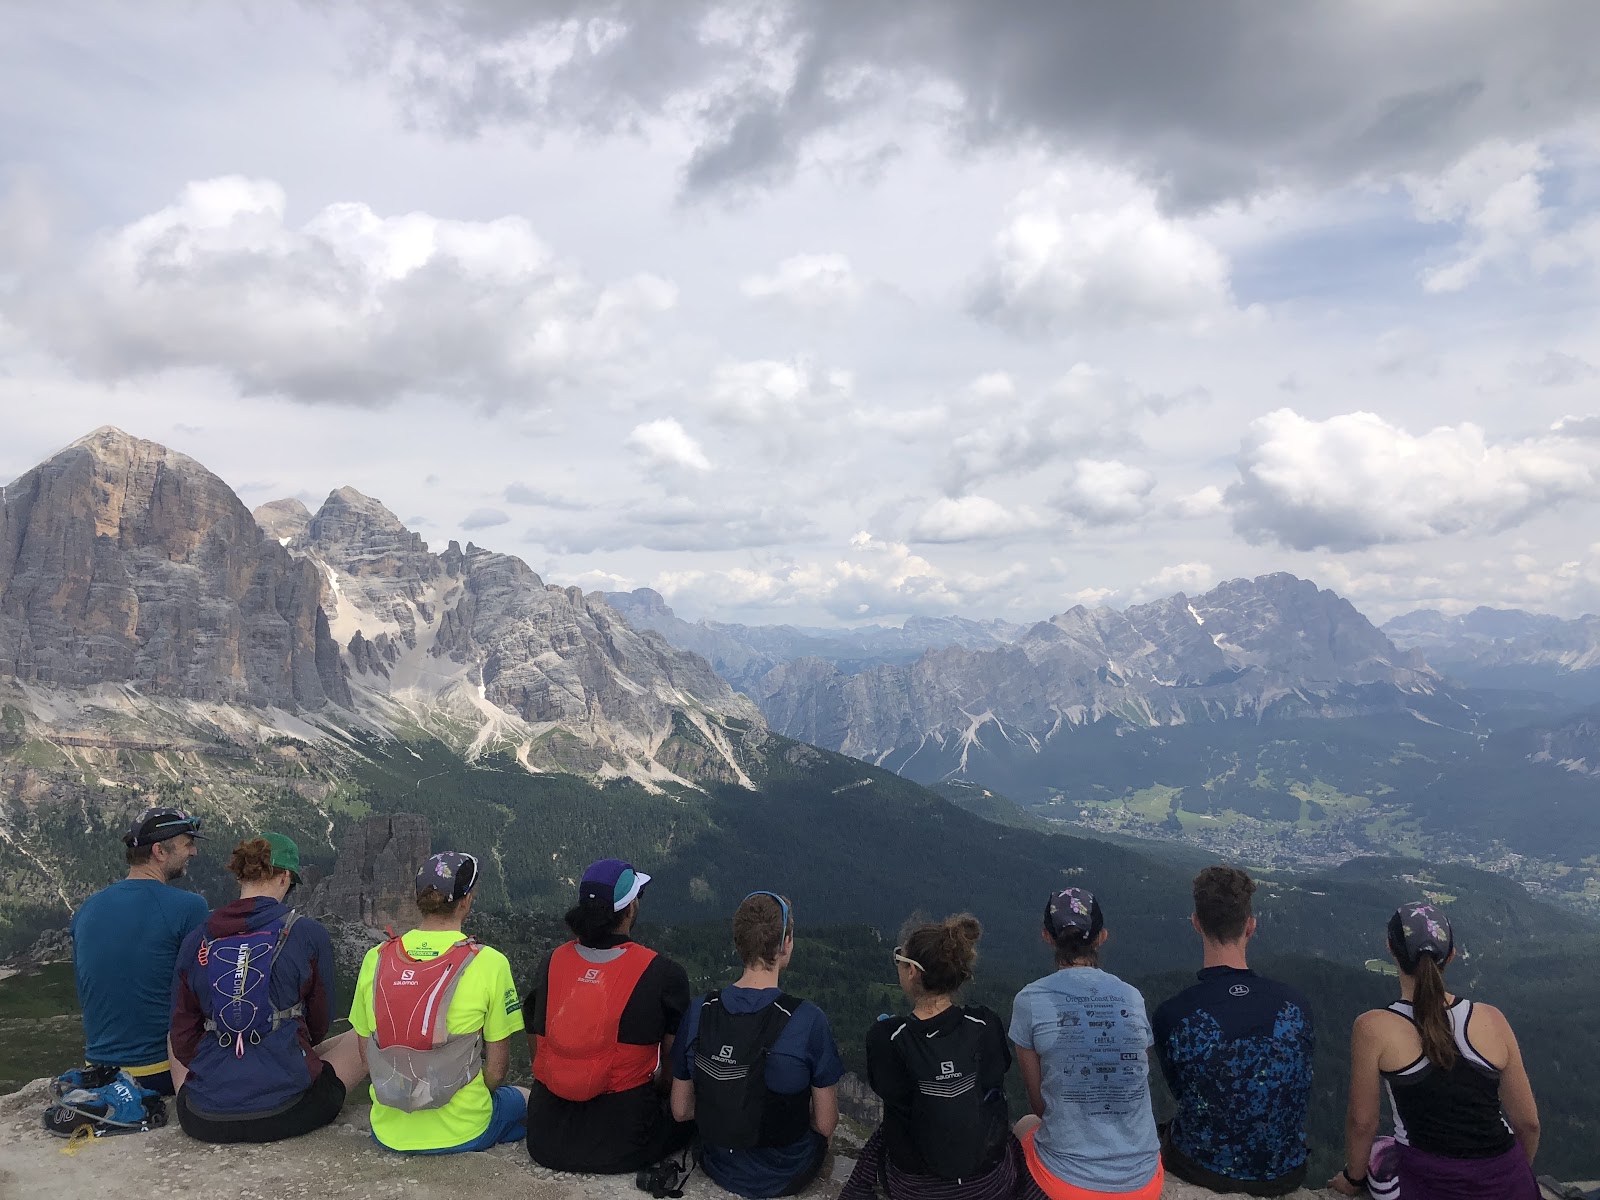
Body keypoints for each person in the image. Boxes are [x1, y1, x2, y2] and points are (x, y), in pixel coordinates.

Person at [1328, 902, 1540, 1200]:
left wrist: (1352, 1180)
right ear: (1451, 955)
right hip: (1509, 1180)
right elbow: (1528, 1124)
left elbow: (1362, 1123)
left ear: (1391, 949)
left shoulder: (1373, 1027)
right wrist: (1511, 1175)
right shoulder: (1492, 1019)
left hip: (1428, 1181)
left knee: (1381, 1149)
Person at [171, 834, 364, 1142]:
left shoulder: (197, 938)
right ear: (284, 877)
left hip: (202, 1118)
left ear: (240, 876)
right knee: (367, 1034)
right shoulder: (307, 933)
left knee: (170, 1037)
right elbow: (319, 1023)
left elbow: (182, 1037)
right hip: (289, 1111)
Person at [350, 851, 529, 1154]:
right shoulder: (489, 962)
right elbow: (497, 1071)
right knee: (523, 1100)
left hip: (389, 1130)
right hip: (464, 1129)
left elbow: (367, 1057)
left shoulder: (376, 958)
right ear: (466, 901)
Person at [1152, 866, 1314, 1196]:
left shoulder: (1173, 1014)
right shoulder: (1295, 1005)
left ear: (1196, 923)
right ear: (1251, 926)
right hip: (1285, 1172)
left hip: (1201, 1167)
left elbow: (1182, 1090)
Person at [525, 858, 693, 1174]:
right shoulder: (664, 974)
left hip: (546, 1136)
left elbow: (536, 1039)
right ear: (629, 909)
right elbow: (673, 1068)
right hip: (623, 1142)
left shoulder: (552, 963)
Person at [671, 891, 843, 1199]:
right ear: (786, 944)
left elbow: (681, 1111)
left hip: (717, 1161)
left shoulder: (700, 1011)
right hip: (785, 1173)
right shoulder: (808, 1020)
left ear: (738, 943)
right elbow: (826, 1123)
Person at [839, 913, 1018, 1200]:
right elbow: (997, 1073)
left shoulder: (887, 1037)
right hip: (989, 1184)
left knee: (885, 1131)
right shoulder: (985, 1024)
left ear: (912, 971)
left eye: (900, 959)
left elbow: (891, 1094)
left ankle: (857, 1191)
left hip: (916, 1189)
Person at [1011, 887, 1163, 1200]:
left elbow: (1040, 1105)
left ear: (1047, 936)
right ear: (1102, 937)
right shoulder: (1132, 997)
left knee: (1025, 1125)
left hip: (1066, 1183)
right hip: (1144, 1181)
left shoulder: (1030, 1000)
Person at [70, 806, 209, 1095]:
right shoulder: (189, 907)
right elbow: (205, 990)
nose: (194, 852)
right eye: (187, 844)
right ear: (160, 851)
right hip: (159, 1072)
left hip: (99, 1071)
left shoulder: (88, 908)